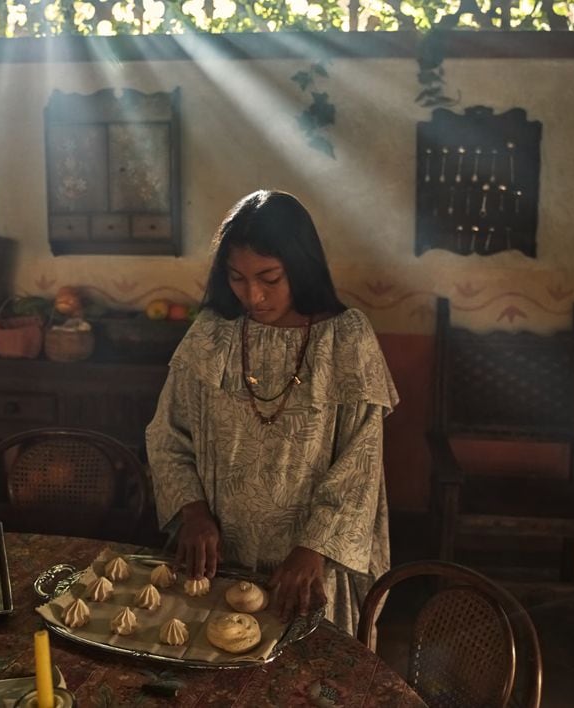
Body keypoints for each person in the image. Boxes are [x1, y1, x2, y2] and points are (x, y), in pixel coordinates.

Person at [145, 189, 398, 635]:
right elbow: (167, 435)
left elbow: (362, 463)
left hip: (307, 571)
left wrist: (313, 549)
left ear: (300, 266)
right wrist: (193, 511)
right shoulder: (211, 334)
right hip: (218, 561)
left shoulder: (345, 338)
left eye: (269, 277)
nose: (253, 295)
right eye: (237, 278)